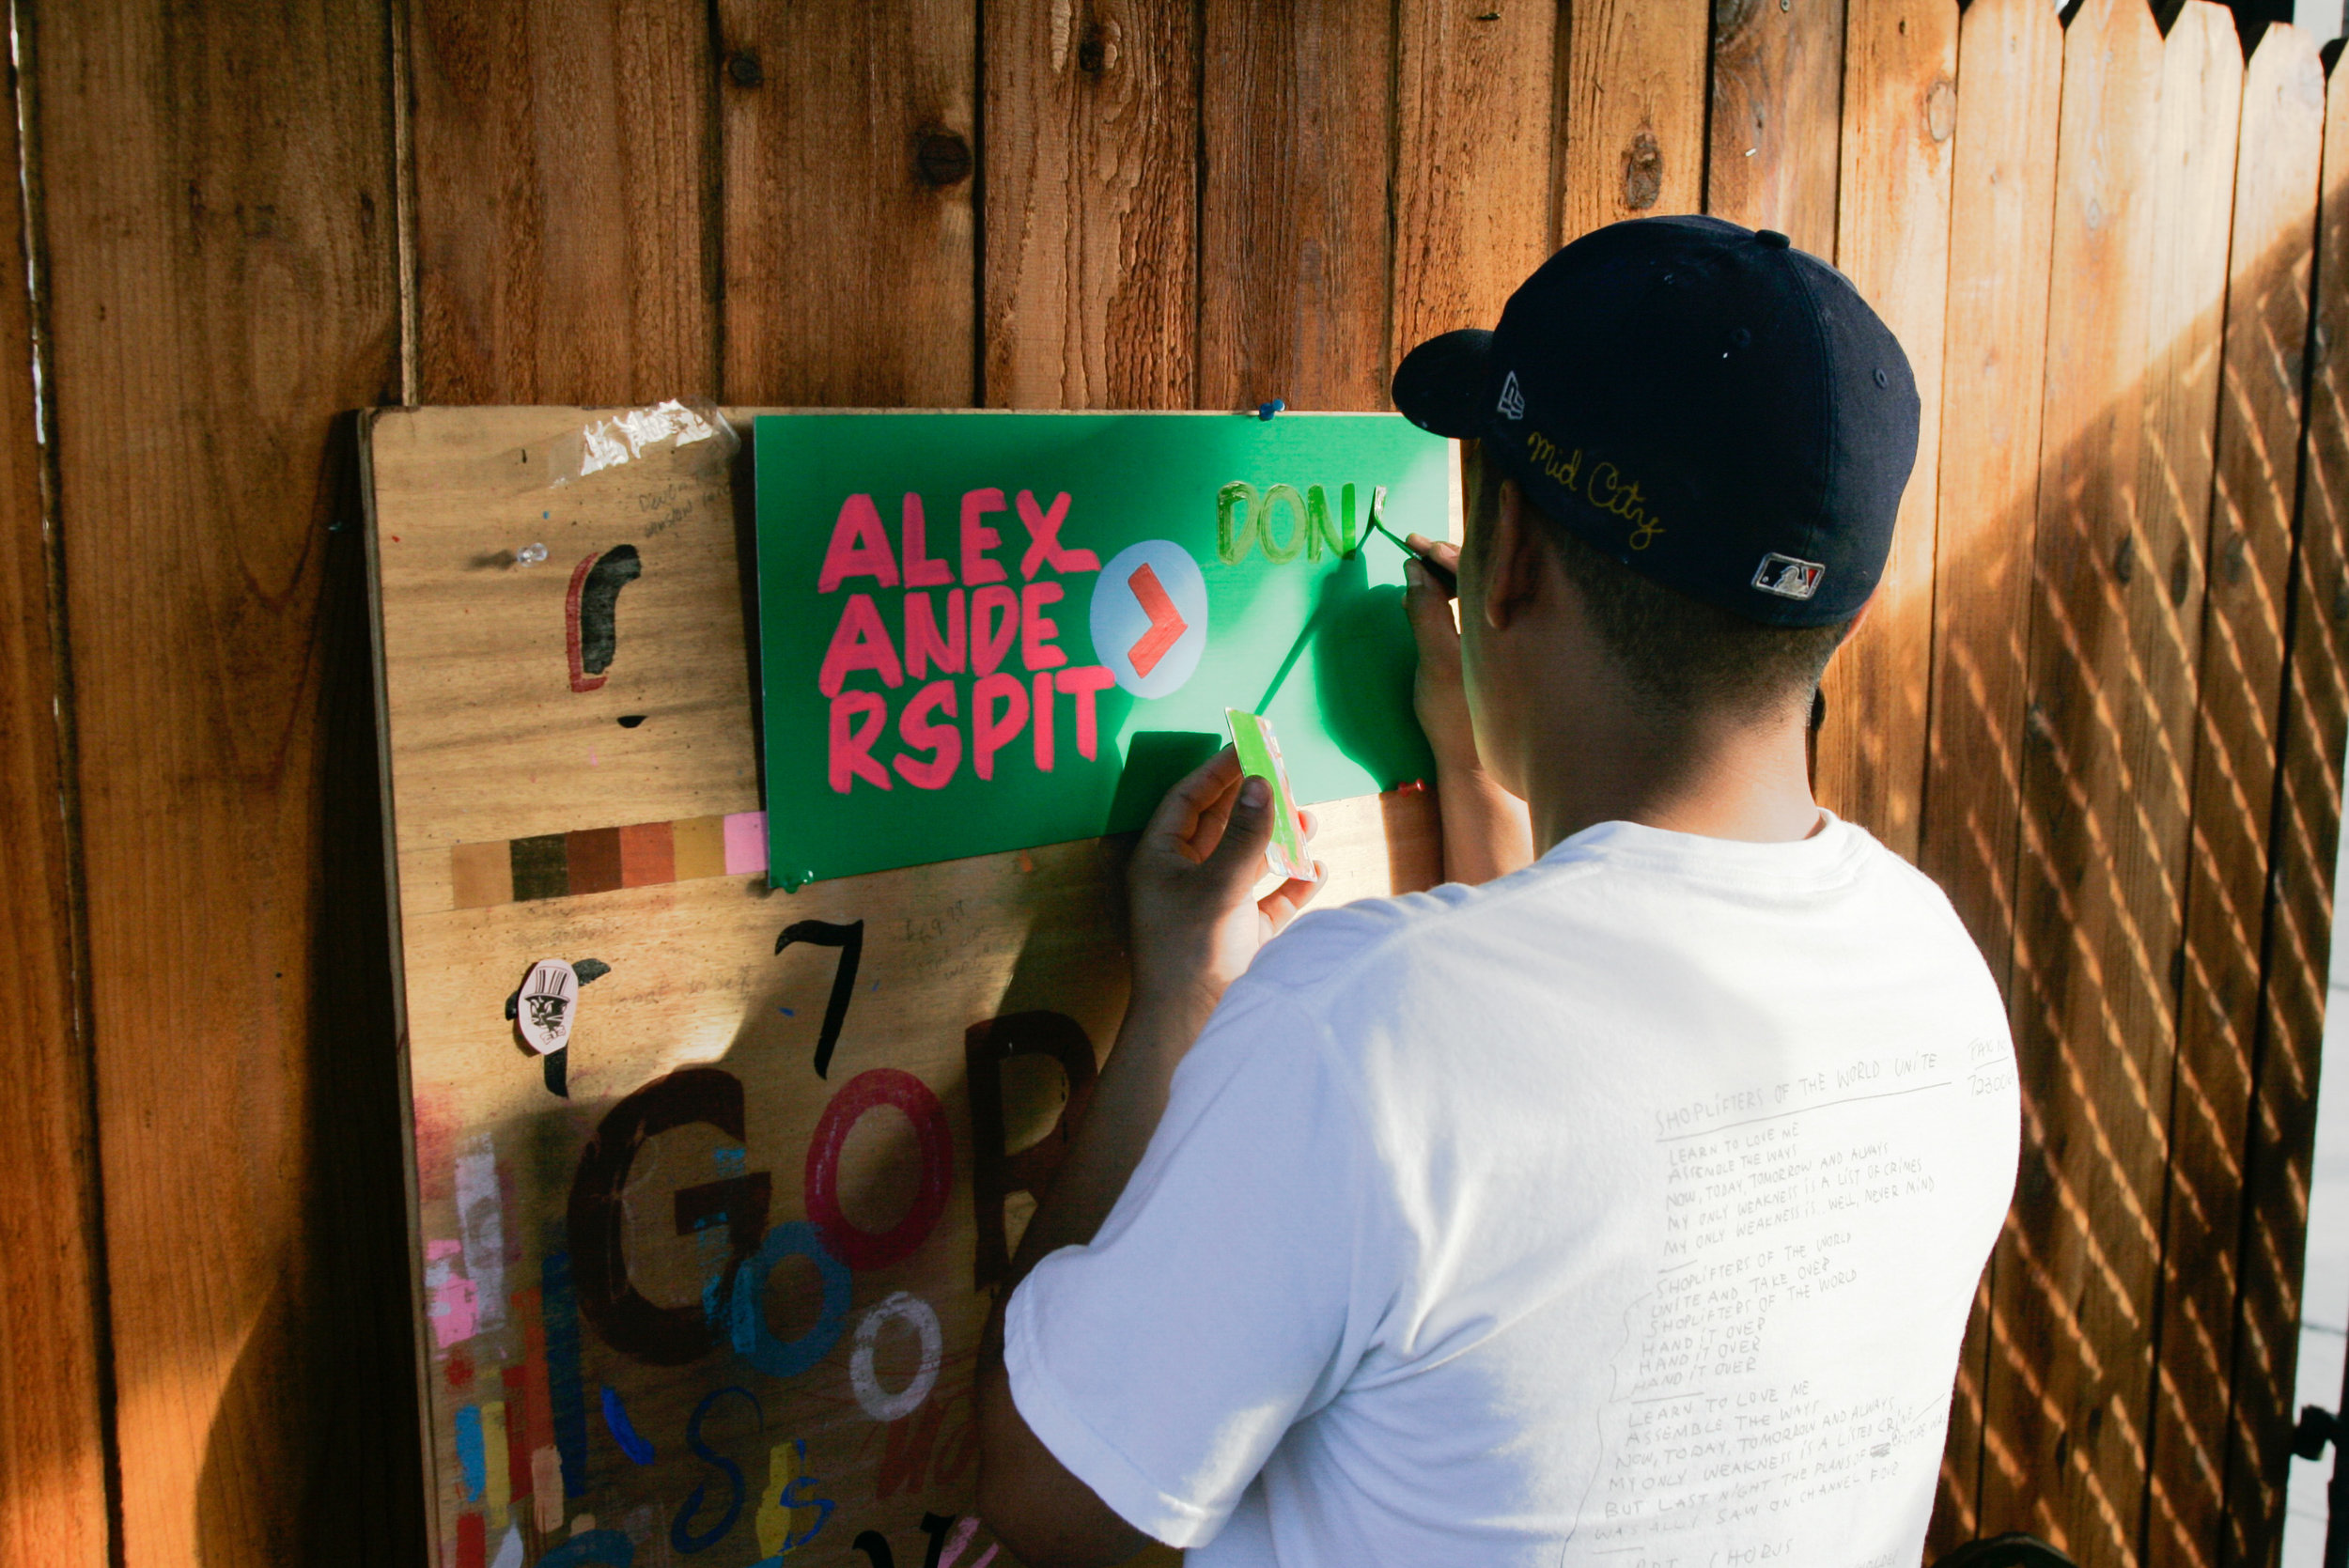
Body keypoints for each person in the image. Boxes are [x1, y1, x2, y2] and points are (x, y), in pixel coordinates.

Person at [974, 215, 2021, 1568]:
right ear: (1839, 612)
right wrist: (1484, 769)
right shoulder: (1938, 984)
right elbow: (1570, 1144)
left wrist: (1180, 996)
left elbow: (1048, 1490)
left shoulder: (1354, 1036)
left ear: (1509, 553)